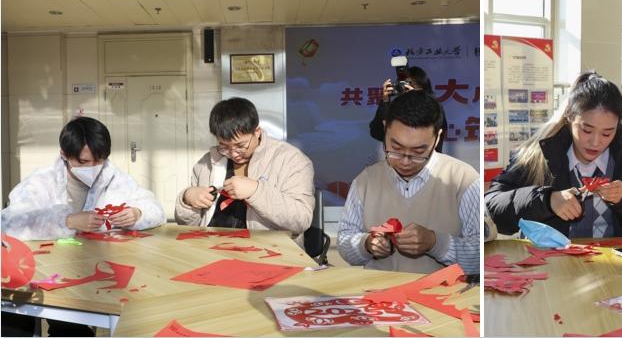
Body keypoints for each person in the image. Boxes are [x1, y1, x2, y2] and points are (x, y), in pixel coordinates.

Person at [1, 116, 165, 338]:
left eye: (99, 160)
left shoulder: (113, 178)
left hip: (89, 274)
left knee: (72, 328)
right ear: (64, 154)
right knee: (14, 321)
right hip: (40, 271)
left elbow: (156, 209)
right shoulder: (42, 181)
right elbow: (9, 223)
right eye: (83, 162)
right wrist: (66, 221)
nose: (93, 168)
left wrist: (138, 213)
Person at [486, 71, 622, 238]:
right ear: (569, 117)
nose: (596, 142)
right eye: (586, 130)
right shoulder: (537, 155)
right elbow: (490, 208)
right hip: (550, 262)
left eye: (607, 133)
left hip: (614, 263)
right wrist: (546, 201)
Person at [338, 90, 480, 274]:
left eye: (418, 152)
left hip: (442, 291)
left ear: (437, 137)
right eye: (396, 148)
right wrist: (366, 244)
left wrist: (436, 243)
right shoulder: (365, 180)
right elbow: (345, 240)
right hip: (380, 291)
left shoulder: (464, 180)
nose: (405, 161)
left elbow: (481, 257)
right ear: (385, 128)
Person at [175, 97, 315, 246]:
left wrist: (256, 191)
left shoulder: (291, 160)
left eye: (240, 146)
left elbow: (301, 220)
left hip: (268, 251)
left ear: (257, 132)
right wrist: (187, 200)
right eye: (224, 146)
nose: (233, 153)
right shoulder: (206, 164)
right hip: (210, 249)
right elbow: (188, 226)